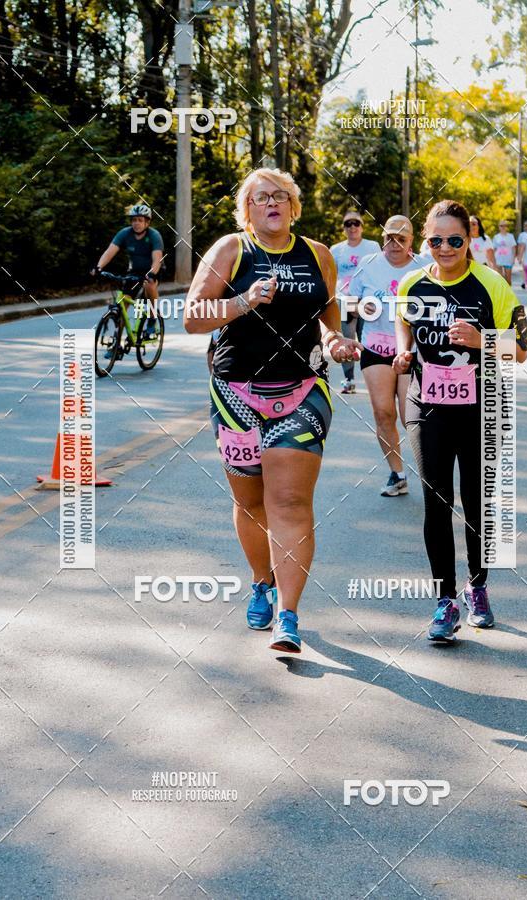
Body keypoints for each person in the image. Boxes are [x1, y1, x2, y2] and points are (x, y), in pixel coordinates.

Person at [184, 168, 362, 654]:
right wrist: (242, 301)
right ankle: (261, 581)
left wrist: (336, 342)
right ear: (249, 209)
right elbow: (191, 318)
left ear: (293, 205)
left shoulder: (317, 255)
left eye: (280, 196)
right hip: (236, 394)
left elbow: (327, 320)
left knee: (289, 503)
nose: (272, 203)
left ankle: (289, 614)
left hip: (303, 391)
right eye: (261, 197)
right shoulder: (230, 250)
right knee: (250, 503)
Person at [393, 199, 527, 642]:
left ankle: (478, 587)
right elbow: (404, 321)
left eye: (455, 240)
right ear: (425, 241)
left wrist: (483, 339)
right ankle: (444, 601)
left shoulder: (492, 285)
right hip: (427, 406)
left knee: (476, 503)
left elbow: (523, 351)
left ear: (469, 240)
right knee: (436, 502)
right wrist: (405, 350)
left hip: (481, 409)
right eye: (436, 240)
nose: (445, 248)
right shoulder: (411, 283)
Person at [349, 215, 424, 496]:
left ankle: (430, 474)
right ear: (383, 240)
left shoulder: (423, 268)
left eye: (401, 239)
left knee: (410, 418)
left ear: (411, 242)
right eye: (390, 238)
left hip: (411, 351)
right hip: (375, 348)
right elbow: (347, 303)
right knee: (383, 413)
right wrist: (359, 309)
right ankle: (397, 474)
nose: (395, 244)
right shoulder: (368, 265)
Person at [330, 212, 381, 394]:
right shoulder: (336, 250)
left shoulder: (372, 246)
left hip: (367, 300)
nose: (352, 227)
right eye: (348, 224)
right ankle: (349, 379)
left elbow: (378, 270)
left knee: (368, 340)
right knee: (348, 340)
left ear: (362, 226)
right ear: (343, 228)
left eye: (356, 223)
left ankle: (374, 378)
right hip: (345, 300)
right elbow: (330, 276)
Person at [94, 204, 163, 336]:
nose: (136, 223)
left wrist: (152, 274)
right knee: (123, 304)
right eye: (134, 220)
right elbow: (110, 251)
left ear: (147, 222)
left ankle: (153, 318)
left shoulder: (154, 236)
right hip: (134, 272)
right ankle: (116, 342)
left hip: (152, 270)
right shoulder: (125, 233)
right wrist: (99, 267)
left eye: (140, 220)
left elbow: (157, 258)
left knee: (149, 284)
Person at [491, 220, 517, 285]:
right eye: (501, 226)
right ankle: (503, 294)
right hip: (498, 260)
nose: (503, 227)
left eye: (504, 226)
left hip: (508, 260)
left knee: (508, 279)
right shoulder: (496, 237)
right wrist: (492, 260)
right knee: (500, 279)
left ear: (506, 227)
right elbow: (493, 249)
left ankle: (509, 292)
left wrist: (513, 259)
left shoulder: (510, 236)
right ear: (499, 227)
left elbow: (513, 248)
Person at [517, 220, 527, 288]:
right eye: (526, 225)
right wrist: (519, 256)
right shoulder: (522, 235)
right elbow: (519, 245)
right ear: (524, 227)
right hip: (524, 254)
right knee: (524, 268)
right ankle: (524, 281)